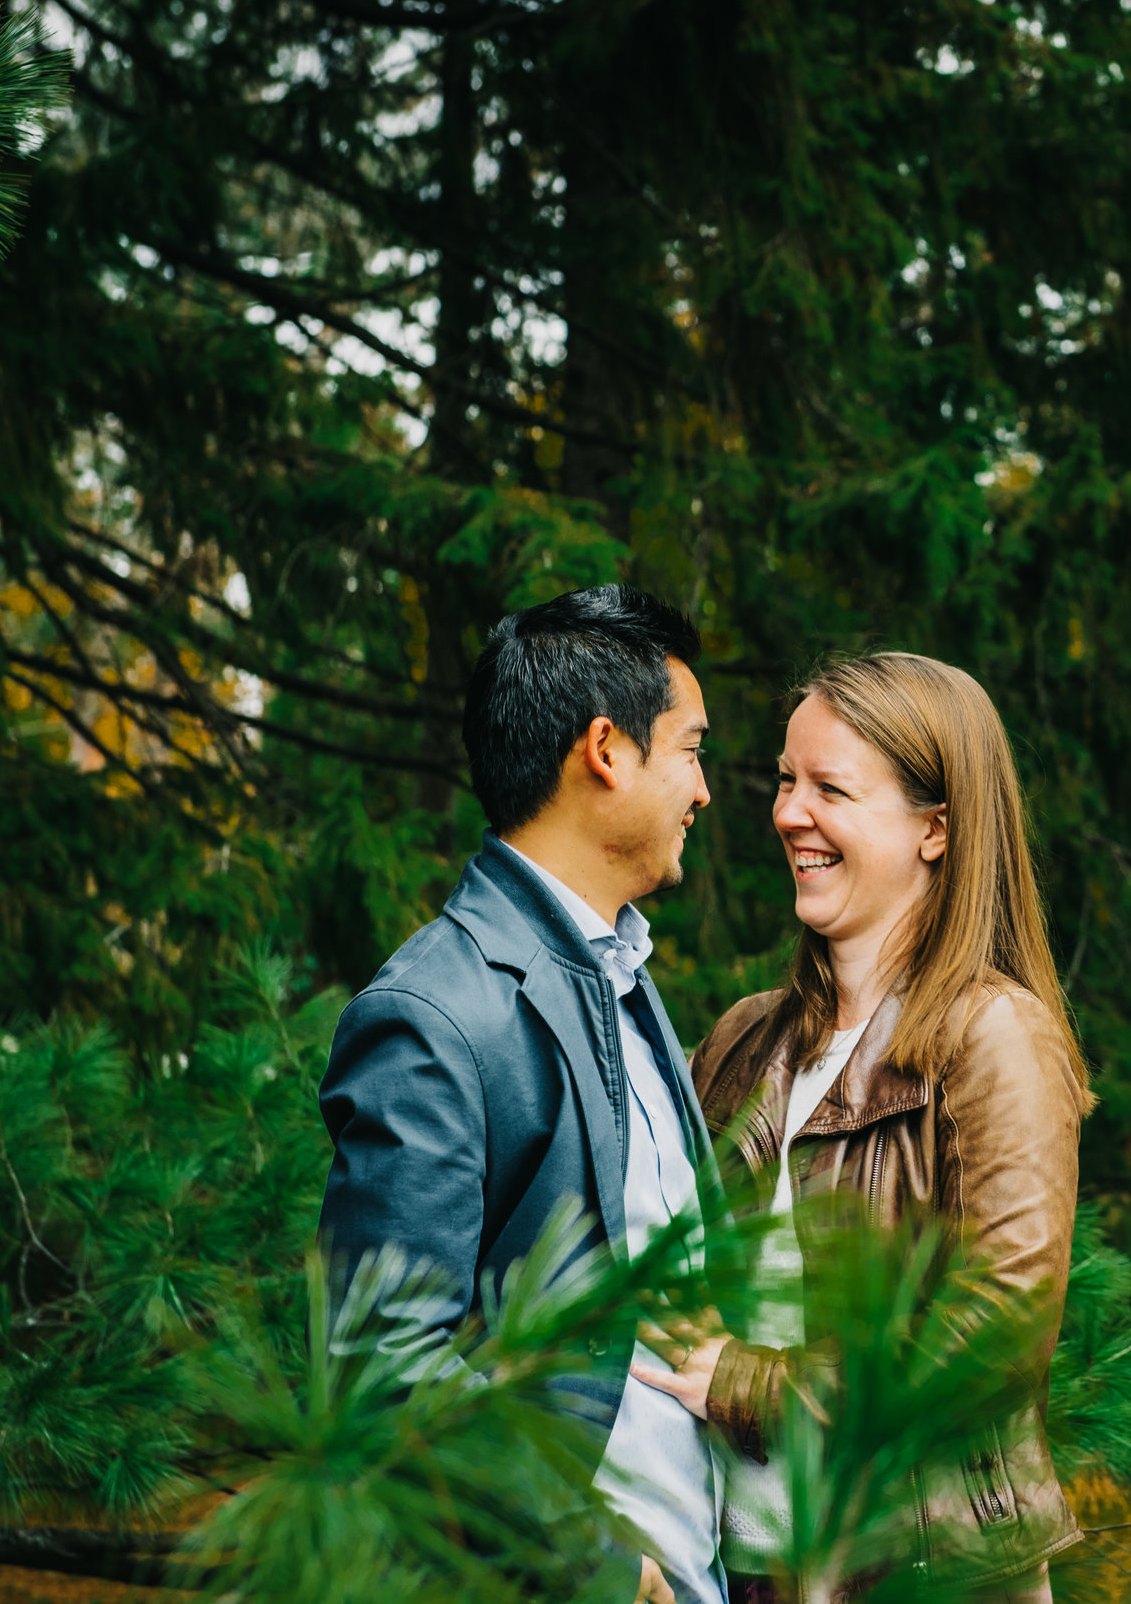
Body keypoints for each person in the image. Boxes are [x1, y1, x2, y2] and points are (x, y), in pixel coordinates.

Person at [634, 651, 1092, 1604]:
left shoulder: (994, 1036)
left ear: (936, 829)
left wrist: (761, 1386)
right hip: (744, 1570)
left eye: (831, 788)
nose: (788, 812)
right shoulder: (744, 1040)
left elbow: (994, 1339)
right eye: (786, 780)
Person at [316, 585, 722, 1604]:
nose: (704, 790)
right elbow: (381, 1364)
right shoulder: (434, 1013)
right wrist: (590, 1564)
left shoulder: (623, 977)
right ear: (606, 750)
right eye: (691, 749)